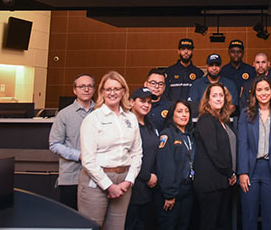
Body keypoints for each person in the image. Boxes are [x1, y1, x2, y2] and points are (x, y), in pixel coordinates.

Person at [78, 71, 143, 230]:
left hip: (124, 182)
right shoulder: (93, 119)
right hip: (97, 180)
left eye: (116, 89)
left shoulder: (130, 118)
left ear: (123, 91)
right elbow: (88, 159)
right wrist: (109, 186)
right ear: (102, 92)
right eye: (108, 89)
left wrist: (128, 181)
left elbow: (137, 153)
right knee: (91, 227)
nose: (112, 93)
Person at [237, 76, 271, 230]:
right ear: (254, 93)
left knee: (270, 216)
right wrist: (242, 172)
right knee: (249, 216)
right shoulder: (246, 114)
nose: (263, 93)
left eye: (266, 89)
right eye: (259, 90)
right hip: (250, 170)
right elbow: (242, 144)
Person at [194, 83, 237, 230]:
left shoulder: (221, 120)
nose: (218, 98)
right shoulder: (206, 119)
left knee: (219, 223)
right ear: (207, 99)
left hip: (220, 182)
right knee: (209, 224)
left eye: (221, 95)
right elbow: (213, 151)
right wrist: (230, 172)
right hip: (210, 184)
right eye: (214, 95)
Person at [49, 73, 95, 210]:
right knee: (72, 219)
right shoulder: (64, 114)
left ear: (94, 89)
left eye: (89, 86)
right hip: (71, 177)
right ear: (75, 90)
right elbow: (54, 144)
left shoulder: (101, 112)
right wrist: (79, 156)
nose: (86, 89)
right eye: (82, 86)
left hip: (96, 177)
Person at [155, 100, 194, 230]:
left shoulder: (190, 136)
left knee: (184, 225)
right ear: (172, 114)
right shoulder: (167, 135)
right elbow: (165, 166)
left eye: (187, 111)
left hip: (188, 190)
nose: (184, 115)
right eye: (179, 111)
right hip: (172, 192)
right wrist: (169, 194)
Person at [125, 87, 159, 230]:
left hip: (149, 188)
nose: (146, 105)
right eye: (142, 101)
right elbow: (127, 157)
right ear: (132, 102)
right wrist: (147, 177)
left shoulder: (150, 125)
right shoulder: (127, 125)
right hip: (133, 185)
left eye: (149, 102)